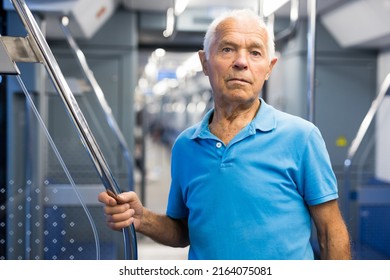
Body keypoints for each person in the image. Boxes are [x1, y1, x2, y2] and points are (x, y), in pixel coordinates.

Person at [98, 9, 351, 260]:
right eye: (227, 49)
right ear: (205, 62)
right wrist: (142, 219)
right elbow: (182, 231)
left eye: (255, 52)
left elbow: (330, 232)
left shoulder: (301, 137)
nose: (241, 62)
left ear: (269, 67)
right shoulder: (186, 146)